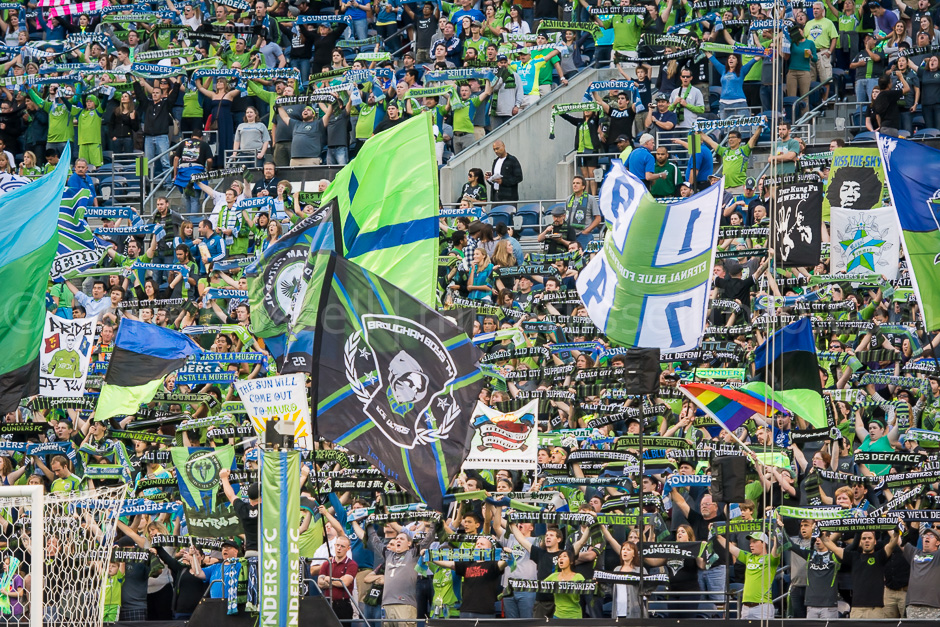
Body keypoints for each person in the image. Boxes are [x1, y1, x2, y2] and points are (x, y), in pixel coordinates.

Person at [715, 530, 781, 619]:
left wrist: (777, 533)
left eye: (754, 542)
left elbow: (776, 549)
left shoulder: (770, 559)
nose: (751, 545)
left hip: (762, 607)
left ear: (764, 543)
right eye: (750, 542)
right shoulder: (748, 557)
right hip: (745, 607)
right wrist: (717, 535)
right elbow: (730, 547)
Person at [317, 535, 358, 620]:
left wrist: (328, 579)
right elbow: (320, 583)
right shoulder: (326, 563)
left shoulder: (352, 564)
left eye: (342, 546)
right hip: (327, 603)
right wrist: (337, 581)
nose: (339, 548)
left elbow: (345, 583)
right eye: (337, 545)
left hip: (343, 604)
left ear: (348, 548)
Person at [565, 175, 601, 249]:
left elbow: (598, 219)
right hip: (570, 235)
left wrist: (586, 231)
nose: (575, 185)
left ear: (583, 186)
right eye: (573, 183)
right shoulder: (568, 199)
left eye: (578, 183)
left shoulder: (591, 199)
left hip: (584, 235)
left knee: (585, 255)